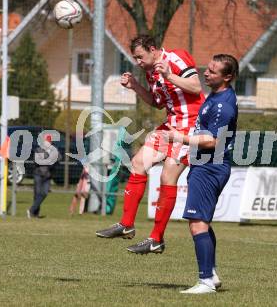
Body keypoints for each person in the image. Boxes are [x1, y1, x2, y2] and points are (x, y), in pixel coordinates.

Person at [96, 34, 205, 254]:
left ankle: (156, 239)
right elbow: (157, 103)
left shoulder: (176, 58)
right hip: (170, 124)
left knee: (167, 176)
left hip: (191, 126)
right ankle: (126, 225)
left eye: (140, 57)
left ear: (153, 49)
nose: (137, 62)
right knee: (137, 163)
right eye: (135, 58)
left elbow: (195, 86)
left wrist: (169, 75)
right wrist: (135, 86)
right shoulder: (150, 72)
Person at [165, 54, 238, 294]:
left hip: (210, 166)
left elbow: (213, 141)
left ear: (227, 77)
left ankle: (205, 280)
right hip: (204, 165)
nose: (206, 73)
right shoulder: (213, 97)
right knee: (202, 222)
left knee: (197, 224)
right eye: (208, 69)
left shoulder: (222, 105)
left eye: (213, 72)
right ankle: (212, 274)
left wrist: (180, 138)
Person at [27, 134, 59, 219]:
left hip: (47, 176)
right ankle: (35, 213)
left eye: (49, 141)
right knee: (37, 194)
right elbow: (37, 161)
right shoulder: (38, 149)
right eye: (46, 141)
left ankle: (31, 210)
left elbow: (59, 158)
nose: (48, 143)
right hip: (38, 174)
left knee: (44, 193)